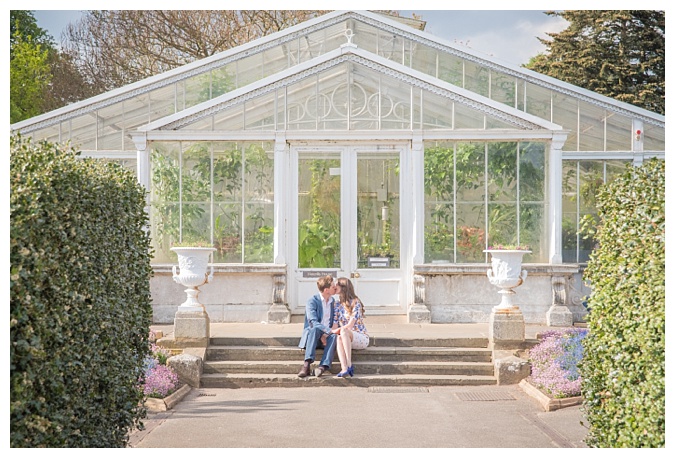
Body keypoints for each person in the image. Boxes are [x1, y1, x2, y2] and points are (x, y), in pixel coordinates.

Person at [297, 275, 338, 378]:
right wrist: (327, 331)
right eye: (333, 286)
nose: (335, 288)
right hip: (314, 335)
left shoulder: (334, 302)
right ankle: (306, 365)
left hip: (327, 336)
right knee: (315, 329)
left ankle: (322, 367)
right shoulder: (312, 301)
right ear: (326, 290)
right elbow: (313, 322)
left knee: (334, 336)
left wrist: (328, 333)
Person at [330, 277, 369, 377]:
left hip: (360, 337)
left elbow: (350, 325)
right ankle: (344, 368)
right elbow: (334, 325)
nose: (334, 287)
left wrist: (336, 331)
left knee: (343, 330)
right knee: (338, 338)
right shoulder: (337, 304)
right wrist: (332, 331)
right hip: (344, 337)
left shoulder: (356, 303)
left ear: (343, 287)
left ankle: (349, 364)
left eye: (337, 285)